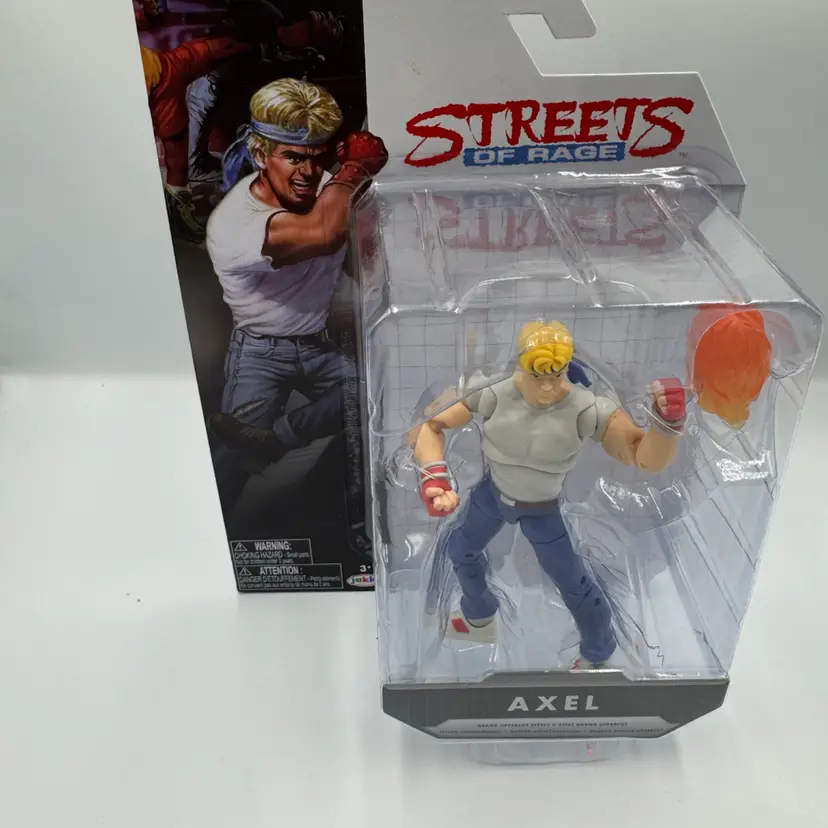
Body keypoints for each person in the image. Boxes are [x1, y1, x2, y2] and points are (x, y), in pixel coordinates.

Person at [410, 320, 687, 668]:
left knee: (573, 583)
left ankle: (599, 650)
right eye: (537, 375)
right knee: (460, 550)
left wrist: (666, 424)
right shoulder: (494, 392)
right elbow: (431, 424)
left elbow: (643, 457)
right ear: (521, 365)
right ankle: (479, 616)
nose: (546, 387)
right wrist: (434, 477)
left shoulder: (585, 409)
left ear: (567, 368)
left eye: (555, 376)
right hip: (492, 496)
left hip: (542, 510)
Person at [204, 77, 386, 549]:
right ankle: (205, 538)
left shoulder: (323, 187)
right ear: (261, 154)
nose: (309, 171)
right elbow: (324, 234)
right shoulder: (236, 224)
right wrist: (353, 169)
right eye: (293, 158)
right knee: (232, 462)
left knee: (375, 399)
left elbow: (352, 250)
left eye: (318, 157)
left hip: (318, 342)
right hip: (260, 352)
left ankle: (334, 510)